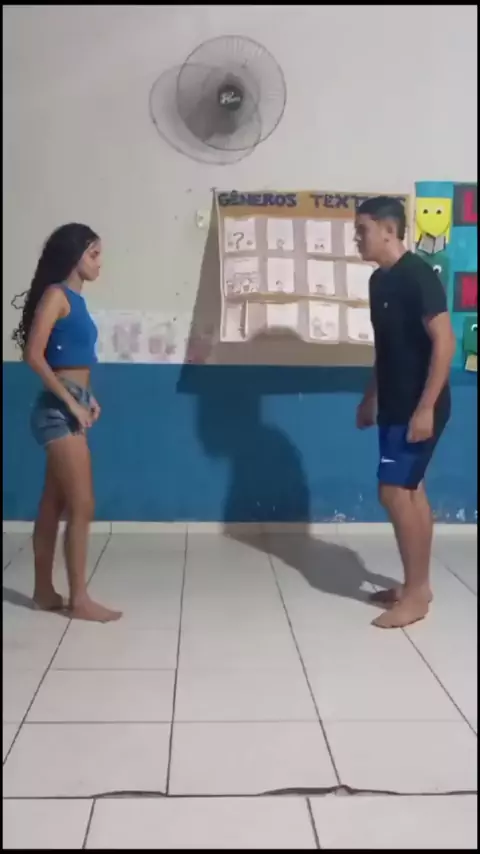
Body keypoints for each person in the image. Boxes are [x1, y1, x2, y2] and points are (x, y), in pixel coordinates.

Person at [12, 224, 122, 622]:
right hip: (57, 411)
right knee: (82, 503)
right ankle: (79, 599)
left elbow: (74, 361)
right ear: (75, 256)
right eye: (93, 254)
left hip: (72, 404)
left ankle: (44, 592)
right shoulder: (56, 295)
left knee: (53, 502)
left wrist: (88, 399)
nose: (99, 262)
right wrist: (71, 403)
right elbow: (33, 355)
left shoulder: (76, 300)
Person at [355, 197, 456, 629]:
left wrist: (426, 408)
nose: (357, 238)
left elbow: (445, 341)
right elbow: (387, 349)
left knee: (394, 493)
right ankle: (418, 586)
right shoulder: (379, 281)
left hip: (420, 405)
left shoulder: (418, 276)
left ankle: (415, 595)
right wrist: (370, 397)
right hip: (394, 404)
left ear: (388, 230)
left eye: (362, 230)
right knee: (410, 492)